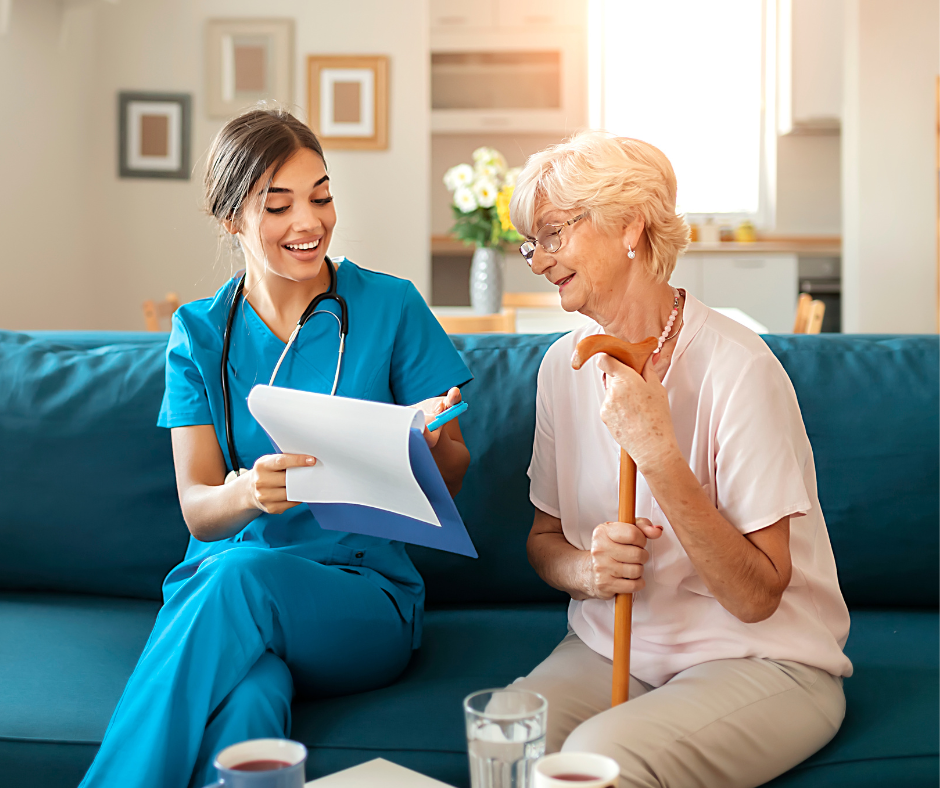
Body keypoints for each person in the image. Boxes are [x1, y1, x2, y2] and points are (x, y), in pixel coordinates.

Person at [79, 107, 472, 788]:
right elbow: (199, 510)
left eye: (321, 195)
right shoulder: (198, 333)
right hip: (227, 591)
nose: (309, 222)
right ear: (231, 218)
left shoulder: (391, 306)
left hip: (360, 599)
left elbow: (454, 476)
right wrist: (247, 491)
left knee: (237, 581)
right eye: (279, 204)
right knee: (249, 703)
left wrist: (428, 444)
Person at [507, 131, 851, 788]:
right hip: (618, 647)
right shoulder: (560, 366)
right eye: (532, 242)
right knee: (509, 732)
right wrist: (586, 569)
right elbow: (544, 540)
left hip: (764, 658)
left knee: (600, 758)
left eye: (554, 234)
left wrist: (658, 455)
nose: (539, 258)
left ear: (628, 224)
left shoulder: (739, 367)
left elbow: (756, 598)